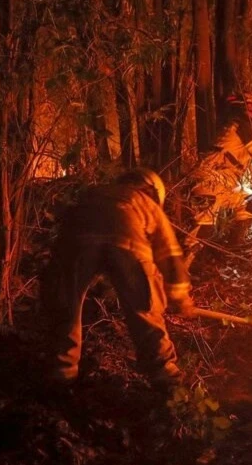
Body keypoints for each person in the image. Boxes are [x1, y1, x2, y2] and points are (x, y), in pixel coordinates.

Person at [40, 167, 195, 392]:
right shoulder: (145, 202)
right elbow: (169, 253)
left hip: (77, 240)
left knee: (67, 304)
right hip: (128, 243)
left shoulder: (92, 193)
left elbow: (68, 230)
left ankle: (61, 370)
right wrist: (180, 296)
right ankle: (164, 374)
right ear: (151, 190)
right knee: (144, 307)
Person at [185, 92, 252, 251]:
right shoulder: (244, 126)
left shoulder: (232, 126)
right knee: (201, 233)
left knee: (249, 200)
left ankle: (233, 250)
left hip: (223, 182)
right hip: (211, 182)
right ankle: (180, 270)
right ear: (248, 108)